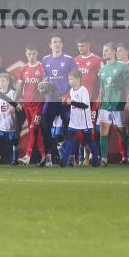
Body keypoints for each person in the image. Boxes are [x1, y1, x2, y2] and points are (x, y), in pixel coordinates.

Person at [39, 34, 78, 167]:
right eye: (54, 42)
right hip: (51, 99)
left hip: (65, 100)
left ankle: (71, 157)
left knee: (70, 128)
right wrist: (43, 87)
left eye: (59, 42)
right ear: (50, 45)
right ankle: (48, 158)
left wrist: (68, 95)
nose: (57, 44)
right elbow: (45, 79)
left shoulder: (69, 59)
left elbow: (76, 79)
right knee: (44, 126)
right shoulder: (45, 60)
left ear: (62, 45)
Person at [96, 42, 129, 168]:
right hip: (106, 104)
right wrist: (100, 99)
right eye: (103, 50)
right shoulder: (103, 69)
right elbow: (102, 87)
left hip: (118, 103)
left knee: (122, 133)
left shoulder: (122, 67)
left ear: (113, 52)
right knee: (103, 131)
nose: (104, 52)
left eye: (106, 50)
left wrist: (127, 101)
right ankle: (104, 159)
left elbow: (128, 86)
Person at [61, 69, 99, 167]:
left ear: (78, 79)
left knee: (89, 141)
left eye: (71, 79)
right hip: (74, 121)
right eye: (69, 79)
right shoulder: (71, 90)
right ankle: (64, 161)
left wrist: (71, 102)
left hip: (85, 122)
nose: (70, 81)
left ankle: (96, 159)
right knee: (70, 140)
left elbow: (85, 105)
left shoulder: (83, 90)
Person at [74, 35, 102, 166]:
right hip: (78, 102)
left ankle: (90, 156)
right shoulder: (75, 60)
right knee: (79, 130)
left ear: (89, 45)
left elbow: (102, 81)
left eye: (83, 46)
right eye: (79, 46)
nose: (80, 48)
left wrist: (99, 97)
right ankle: (82, 156)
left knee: (90, 130)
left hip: (91, 101)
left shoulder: (97, 60)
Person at [16, 44, 45, 165]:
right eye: (29, 54)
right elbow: (19, 87)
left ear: (37, 53)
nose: (31, 56)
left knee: (33, 129)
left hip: (38, 105)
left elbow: (46, 85)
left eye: (33, 54)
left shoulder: (42, 67)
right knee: (34, 132)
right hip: (27, 106)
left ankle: (27, 156)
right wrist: (15, 101)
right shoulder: (23, 69)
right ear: (26, 54)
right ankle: (45, 157)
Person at [0, 72, 20, 167]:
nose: (1, 83)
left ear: (8, 82)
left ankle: (15, 159)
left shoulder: (13, 94)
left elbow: (20, 108)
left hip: (11, 123)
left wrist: (15, 109)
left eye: (3, 81)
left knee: (14, 142)